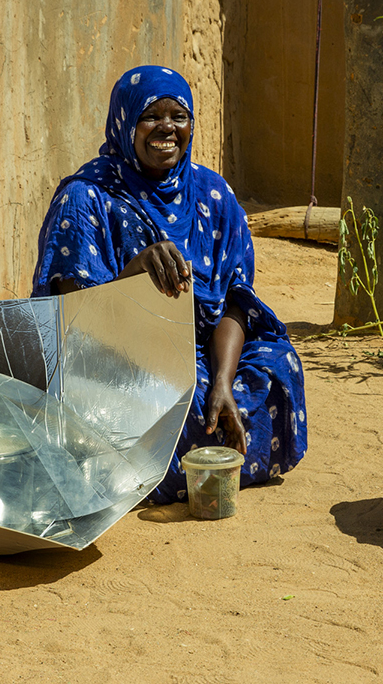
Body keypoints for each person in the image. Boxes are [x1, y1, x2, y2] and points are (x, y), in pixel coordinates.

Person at [31, 65, 307, 503]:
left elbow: (235, 302)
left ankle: (182, 450)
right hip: (117, 357)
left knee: (275, 370)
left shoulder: (214, 196)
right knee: (173, 404)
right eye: (150, 117)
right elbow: (74, 322)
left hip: (201, 352)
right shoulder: (87, 198)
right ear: (125, 124)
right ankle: (154, 464)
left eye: (178, 116)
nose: (166, 129)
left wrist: (221, 381)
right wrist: (133, 273)